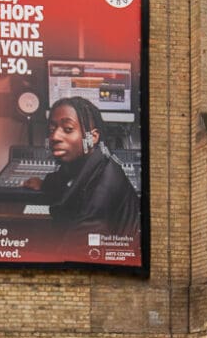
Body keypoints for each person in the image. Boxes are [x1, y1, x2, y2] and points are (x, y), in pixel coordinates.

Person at [41, 96, 140, 242]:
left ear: (92, 138)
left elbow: (77, 251)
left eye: (68, 129)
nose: (55, 136)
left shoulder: (102, 190)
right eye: (52, 129)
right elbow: (67, 177)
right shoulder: (90, 162)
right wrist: (43, 184)